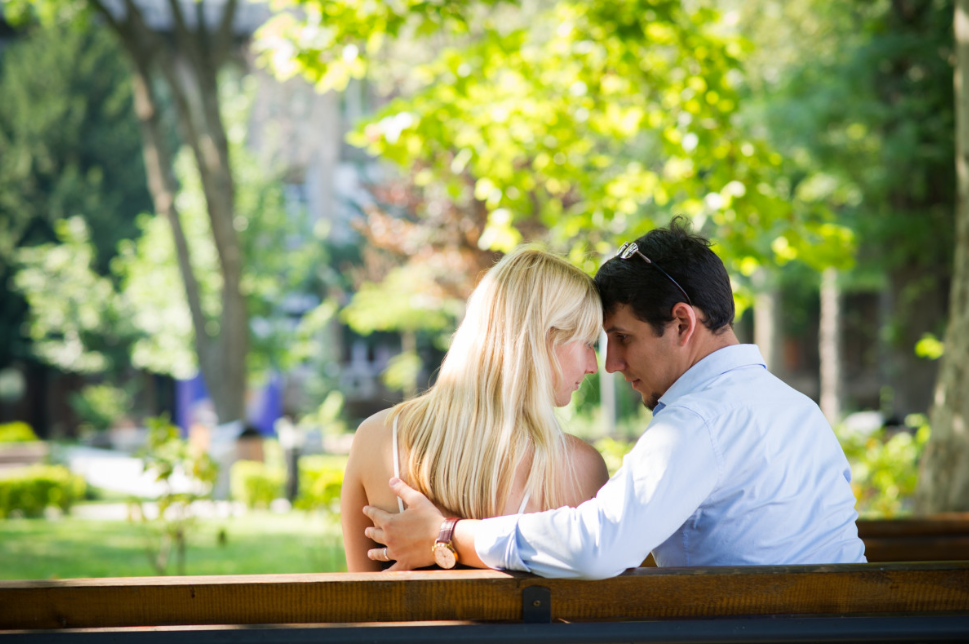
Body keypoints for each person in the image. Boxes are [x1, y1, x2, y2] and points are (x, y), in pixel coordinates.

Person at [362, 218, 867, 578]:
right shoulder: (799, 410)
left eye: (622, 338)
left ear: (682, 323)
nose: (611, 363)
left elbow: (597, 547)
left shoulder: (698, 421)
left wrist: (448, 534)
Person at [341, 247, 610, 571]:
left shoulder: (376, 438)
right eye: (588, 343)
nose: (594, 365)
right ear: (543, 339)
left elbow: (362, 592)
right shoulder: (579, 468)